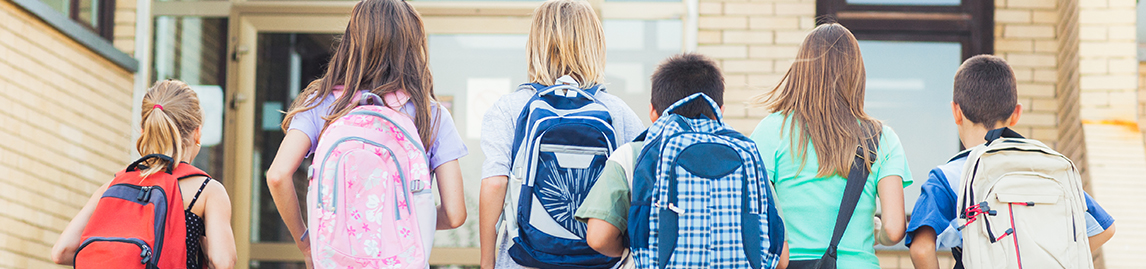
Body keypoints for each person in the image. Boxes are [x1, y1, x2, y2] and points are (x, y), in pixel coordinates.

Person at [267, 0, 468, 267]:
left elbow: (278, 175)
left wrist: (307, 242)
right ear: (412, 46)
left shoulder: (323, 102)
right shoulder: (430, 113)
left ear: (353, 42)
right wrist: (407, 221)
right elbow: (455, 214)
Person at [575, 53, 788, 268]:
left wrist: (633, 251)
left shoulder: (632, 155)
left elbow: (598, 237)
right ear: (720, 112)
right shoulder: (748, 157)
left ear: (653, 111)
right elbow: (781, 258)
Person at [906, 54, 1116, 269]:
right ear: (1016, 114)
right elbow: (1105, 228)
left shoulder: (948, 177)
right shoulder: (1045, 169)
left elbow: (921, 249)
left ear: (956, 112)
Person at [477, 0, 645, 268]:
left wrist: (487, 261)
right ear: (595, 45)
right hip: (599, 261)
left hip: (525, 260)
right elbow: (640, 186)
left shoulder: (509, 108)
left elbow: (495, 184)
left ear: (535, 45)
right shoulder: (616, 112)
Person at [748, 23, 910, 268]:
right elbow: (895, 228)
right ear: (856, 74)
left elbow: (754, 211)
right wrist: (876, 232)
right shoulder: (881, 138)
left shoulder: (771, 130)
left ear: (802, 69)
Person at [50, 80, 238, 269]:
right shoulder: (206, 191)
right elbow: (223, 262)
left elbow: (62, 251)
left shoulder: (115, 185)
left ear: (144, 131)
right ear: (197, 133)